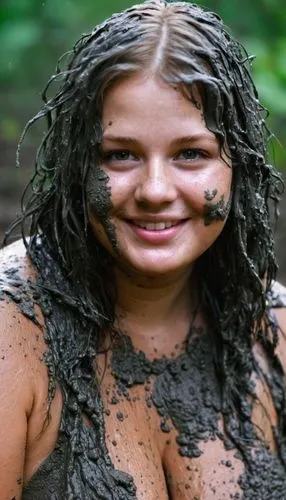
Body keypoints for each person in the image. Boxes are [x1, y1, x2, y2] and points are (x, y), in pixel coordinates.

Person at [1, 0, 286, 498]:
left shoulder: (274, 333)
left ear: (237, 166)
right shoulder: (12, 329)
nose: (155, 189)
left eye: (191, 154)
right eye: (121, 154)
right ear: (77, 165)